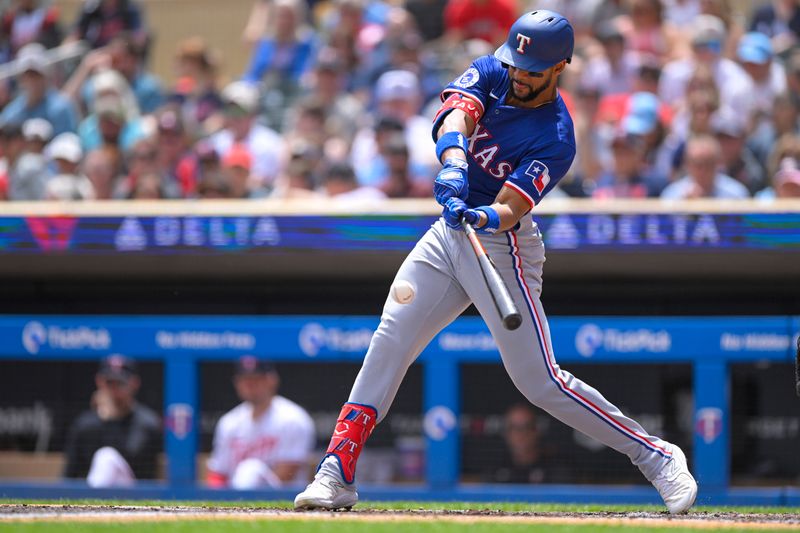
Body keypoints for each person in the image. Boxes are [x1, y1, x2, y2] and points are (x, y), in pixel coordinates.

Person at [294, 10, 697, 515]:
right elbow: (454, 115)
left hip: (501, 245)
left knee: (539, 381)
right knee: (390, 338)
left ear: (559, 67)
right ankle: (337, 471)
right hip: (447, 234)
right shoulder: (493, 70)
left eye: (533, 69)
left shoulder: (556, 134)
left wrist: (483, 214)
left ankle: (655, 455)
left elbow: (511, 208)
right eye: (519, 64)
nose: (521, 75)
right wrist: (456, 161)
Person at [207, 356, 315, 489]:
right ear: (237, 383)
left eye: (257, 379)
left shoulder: (293, 418)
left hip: (282, 499)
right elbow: (218, 474)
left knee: (251, 470)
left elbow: (287, 474)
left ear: (271, 380)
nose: (250, 385)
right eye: (245, 379)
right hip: (234, 497)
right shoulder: (229, 422)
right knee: (247, 471)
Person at [63, 354, 161, 487]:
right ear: (99, 382)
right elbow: (68, 476)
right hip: (89, 498)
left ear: (134, 383)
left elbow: (149, 477)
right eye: (109, 382)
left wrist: (112, 421)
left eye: (120, 383)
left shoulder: (148, 423)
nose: (114, 389)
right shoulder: (84, 425)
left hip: (135, 499)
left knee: (107, 457)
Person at [483, 403, 567, 484]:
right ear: (506, 433)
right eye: (514, 428)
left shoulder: (554, 469)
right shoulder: (495, 470)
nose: (521, 434)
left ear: (536, 431)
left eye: (527, 427)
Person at [660, 133, 750, 199]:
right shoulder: (672, 196)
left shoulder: (736, 194)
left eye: (709, 163)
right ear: (687, 164)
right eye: (698, 164)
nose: (703, 170)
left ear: (718, 163)